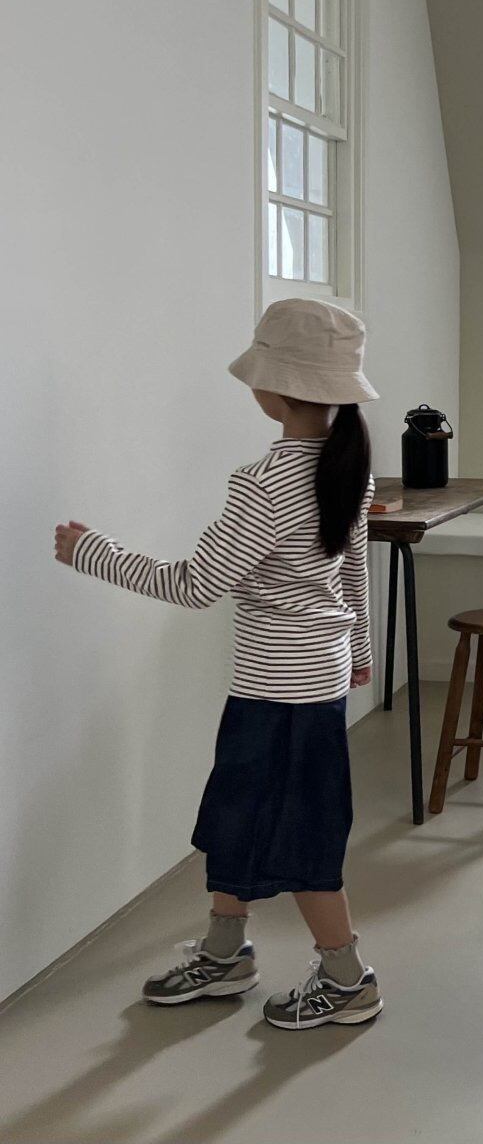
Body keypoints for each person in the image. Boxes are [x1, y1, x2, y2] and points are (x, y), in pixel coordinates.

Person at [54, 298, 383, 1031]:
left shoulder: (265, 484)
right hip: (308, 679)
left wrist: (92, 553)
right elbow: (353, 571)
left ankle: (347, 978)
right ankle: (225, 952)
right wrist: (360, 651)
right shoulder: (349, 468)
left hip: (279, 693)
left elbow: (195, 585)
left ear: (275, 388)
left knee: (299, 836)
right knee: (237, 814)